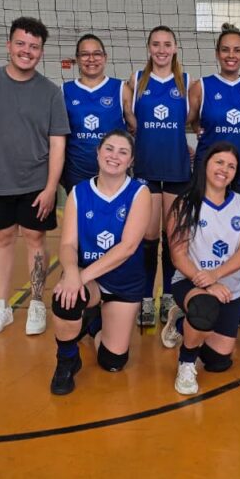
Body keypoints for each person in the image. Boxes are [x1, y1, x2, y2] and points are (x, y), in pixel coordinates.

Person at [0, 17, 69, 337]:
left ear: (41, 52)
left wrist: (50, 188)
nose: (26, 51)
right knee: (3, 238)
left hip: (36, 183)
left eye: (34, 46)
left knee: (35, 240)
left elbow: (58, 143)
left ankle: (36, 302)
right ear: (9, 45)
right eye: (21, 43)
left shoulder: (51, 92)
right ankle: (2, 305)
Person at [49, 130, 150, 395]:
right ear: (98, 153)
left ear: (130, 161)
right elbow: (68, 245)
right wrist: (72, 274)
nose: (114, 156)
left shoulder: (139, 193)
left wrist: (79, 278)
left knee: (112, 362)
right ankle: (67, 359)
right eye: (109, 149)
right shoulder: (79, 193)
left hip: (124, 283)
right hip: (90, 278)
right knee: (66, 298)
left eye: (123, 152)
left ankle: (94, 324)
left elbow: (127, 248)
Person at [161, 142, 240, 394]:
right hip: (190, 281)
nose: (224, 169)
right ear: (205, 165)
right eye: (219, 162)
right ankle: (186, 362)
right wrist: (208, 282)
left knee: (217, 361)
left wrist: (216, 276)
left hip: (228, 289)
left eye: (231, 166)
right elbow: (178, 256)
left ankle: (180, 322)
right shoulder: (185, 203)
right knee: (203, 309)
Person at [123, 25, 199, 327]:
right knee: (148, 238)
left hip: (177, 169)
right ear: (149, 48)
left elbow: (192, 120)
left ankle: (168, 295)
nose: (162, 49)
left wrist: (188, 144)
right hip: (146, 169)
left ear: (175, 48)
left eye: (167, 44)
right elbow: (131, 120)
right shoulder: (136, 81)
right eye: (156, 44)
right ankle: (145, 298)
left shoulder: (187, 83)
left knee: (172, 238)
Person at [192, 23, 240, 236]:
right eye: (225, 50)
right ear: (217, 53)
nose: (231, 55)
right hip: (209, 171)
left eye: (237, 50)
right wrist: (197, 128)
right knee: (205, 236)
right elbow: (189, 118)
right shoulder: (201, 86)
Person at [62, 34, 125, 192]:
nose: (91, 59)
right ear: (77, 59)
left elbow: (137, 128)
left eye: (97, 54)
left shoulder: (122, 89)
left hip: (113, 174)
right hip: (76, 175)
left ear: (105, 57)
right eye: (85, 54)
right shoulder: (64, 91)